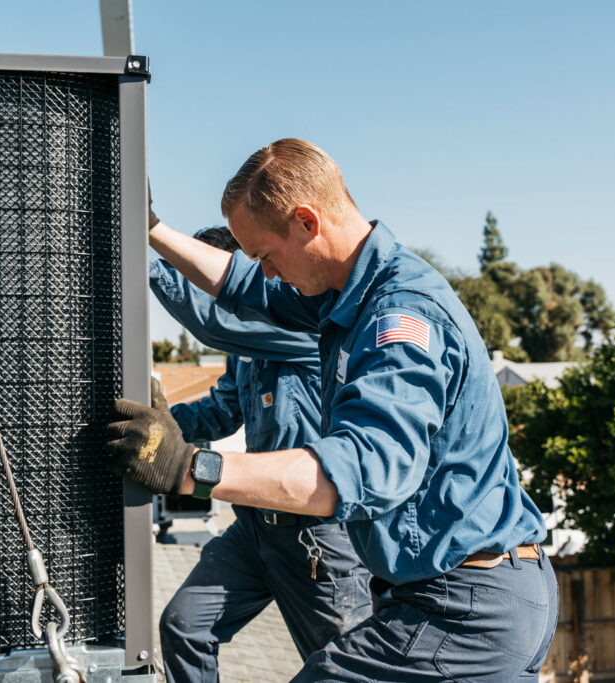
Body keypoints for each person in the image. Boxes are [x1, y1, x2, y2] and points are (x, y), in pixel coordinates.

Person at [108, 139, 558, 681]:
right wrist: (151, 227)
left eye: (266, 255)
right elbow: (241, 287)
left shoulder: (400, 319)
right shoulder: (347, 297)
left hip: (465, 608)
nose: (267, 273)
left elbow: (363, 469)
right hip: (455, 596)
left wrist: (188, 468)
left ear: (306, 222)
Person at [150, 225, 371, 683]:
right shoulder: (245, 350)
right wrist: (162, 425)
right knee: (185, 626)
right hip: (255, 529)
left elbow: (216, 322)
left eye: (209, 283)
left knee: (343, 672)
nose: (207, 297)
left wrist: (142, 254)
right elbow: (224, 409)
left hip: (317, 540)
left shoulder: (299, 326)